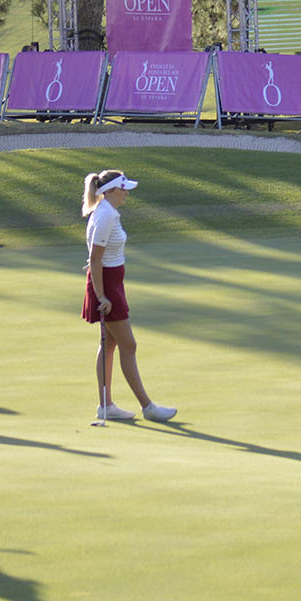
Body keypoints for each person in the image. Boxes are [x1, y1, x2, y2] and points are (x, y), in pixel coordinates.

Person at [81, 169, 175, 422]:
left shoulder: (108, 213)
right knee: (128, 345)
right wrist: (101, 296)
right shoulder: (104, 216)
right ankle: (148, 407)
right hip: (107, 285)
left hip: (112, 283)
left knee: (110, 344)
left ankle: (106, 406)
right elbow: (95, 259)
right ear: (109, 191)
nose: (126, 194)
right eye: (122, 189)